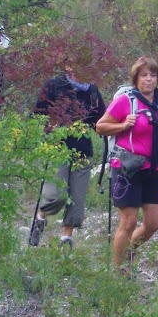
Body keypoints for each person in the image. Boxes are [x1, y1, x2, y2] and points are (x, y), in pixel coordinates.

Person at [96, 57, 158, 275]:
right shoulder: (125, 100)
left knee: (153, 223)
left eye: (152, 75)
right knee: (129, 221)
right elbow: (101, 126)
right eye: (144, 75)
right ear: (136, 79)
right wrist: (123, 125)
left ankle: (129, 252)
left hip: (154, 169)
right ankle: (118, 271)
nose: (148, 79)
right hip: (127, 168)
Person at [30, 69, 106, 248]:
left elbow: (101, 120)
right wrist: (46, 130)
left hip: (83, 149)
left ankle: (66, 239)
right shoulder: (54, 85)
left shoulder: (91, 91)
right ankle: (40, 218)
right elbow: (37, 114)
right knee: (56, 195)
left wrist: (115, 128)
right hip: (57, 147)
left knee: (77, 199)